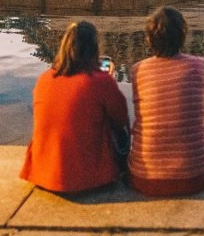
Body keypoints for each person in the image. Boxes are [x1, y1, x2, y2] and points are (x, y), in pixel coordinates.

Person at [20, 21, 130, 194]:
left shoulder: (44, 79)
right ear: (94, 49)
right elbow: (121, 119)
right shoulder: (101, 81)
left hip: (42, 175)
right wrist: (109, 84)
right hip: (90, 179)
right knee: (119, 125)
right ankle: (124, 167)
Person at [128, 6, 204, 197]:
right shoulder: (200, 65)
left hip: (144, 179)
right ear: (183, 36)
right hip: (196, 178)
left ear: (149, 39)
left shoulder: (138, 70)